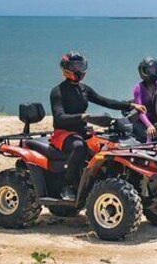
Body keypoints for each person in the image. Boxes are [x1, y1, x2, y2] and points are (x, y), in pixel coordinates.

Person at [49, 51, 146, 202]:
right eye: (74, 66)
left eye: (80, 65)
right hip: (64, 133)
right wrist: (82, 117)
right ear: (65, 68)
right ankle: (66, 186)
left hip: (83, 131)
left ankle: (100, 183)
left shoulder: (84, 89)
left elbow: (105, 101)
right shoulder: (58, 91)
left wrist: (131, 104)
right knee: (79, 147)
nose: (78, 69)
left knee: (108, 146)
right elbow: (59, 117)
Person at [132, 57, 157, 142]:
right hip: (142, 122)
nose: (152, 73)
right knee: (149, 136)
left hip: (156, 121)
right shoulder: (138, 88)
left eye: (154, 70)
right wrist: (149, 125)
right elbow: (140, 111)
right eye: (149, 70)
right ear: (143, 71)